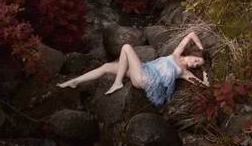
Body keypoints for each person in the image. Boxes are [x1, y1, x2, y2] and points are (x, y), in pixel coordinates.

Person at [57, 31, 210, 106]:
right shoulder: (176, 54)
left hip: (146, 79)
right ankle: (75, 81)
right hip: (144, 71)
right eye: (195, 60)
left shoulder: (184, 72)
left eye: (197, 64)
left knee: (126, 47)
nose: (194, 64)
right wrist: (201, 49)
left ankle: (118, 83)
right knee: (106, 67)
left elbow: (204, 86)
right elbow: (190, 34)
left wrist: (204, 70)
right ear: (191, 54)